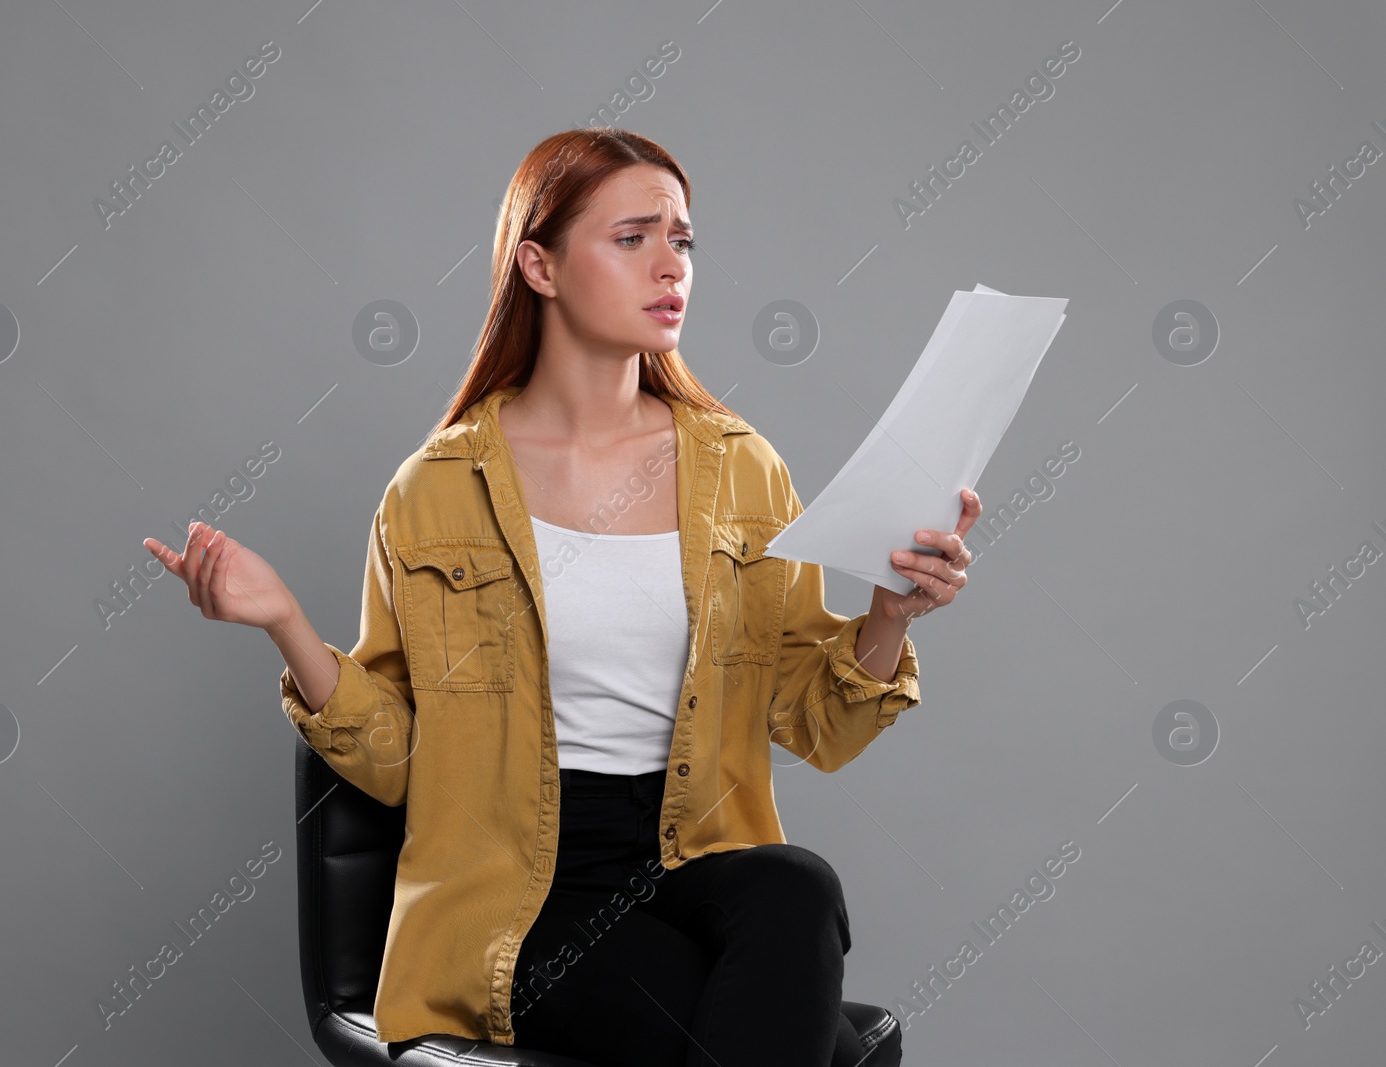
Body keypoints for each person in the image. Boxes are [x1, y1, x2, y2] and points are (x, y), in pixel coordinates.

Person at [143, 128, 977, 1066]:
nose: (672, 266)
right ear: (537, 265)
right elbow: (396, 759)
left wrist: (887, 619)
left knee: (796, 883)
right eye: (633, 238)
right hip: (516, 896)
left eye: (684, 239)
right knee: (819, 1047)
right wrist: (285, 623)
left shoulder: (745, 470)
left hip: (688, 864)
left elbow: (813, 723)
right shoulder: (436, 488)